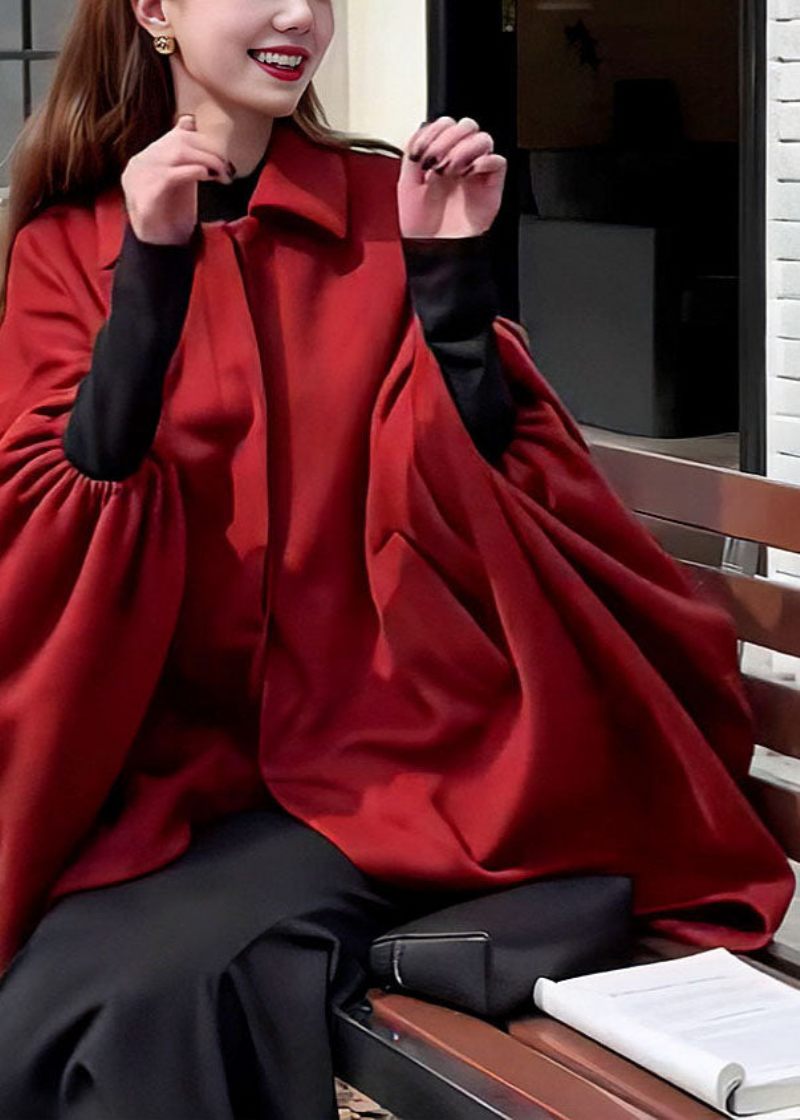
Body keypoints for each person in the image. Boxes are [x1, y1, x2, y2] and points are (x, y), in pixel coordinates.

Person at [0, 0, 793, 1116]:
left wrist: (448, 286)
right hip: (172, 770)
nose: (299, 15)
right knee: (54, 992)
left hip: (391, 753)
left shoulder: (385, 207)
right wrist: (152, 271)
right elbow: (57, 517)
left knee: (148, 996)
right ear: (156, 10)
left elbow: (488, 498)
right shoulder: (66, 242)